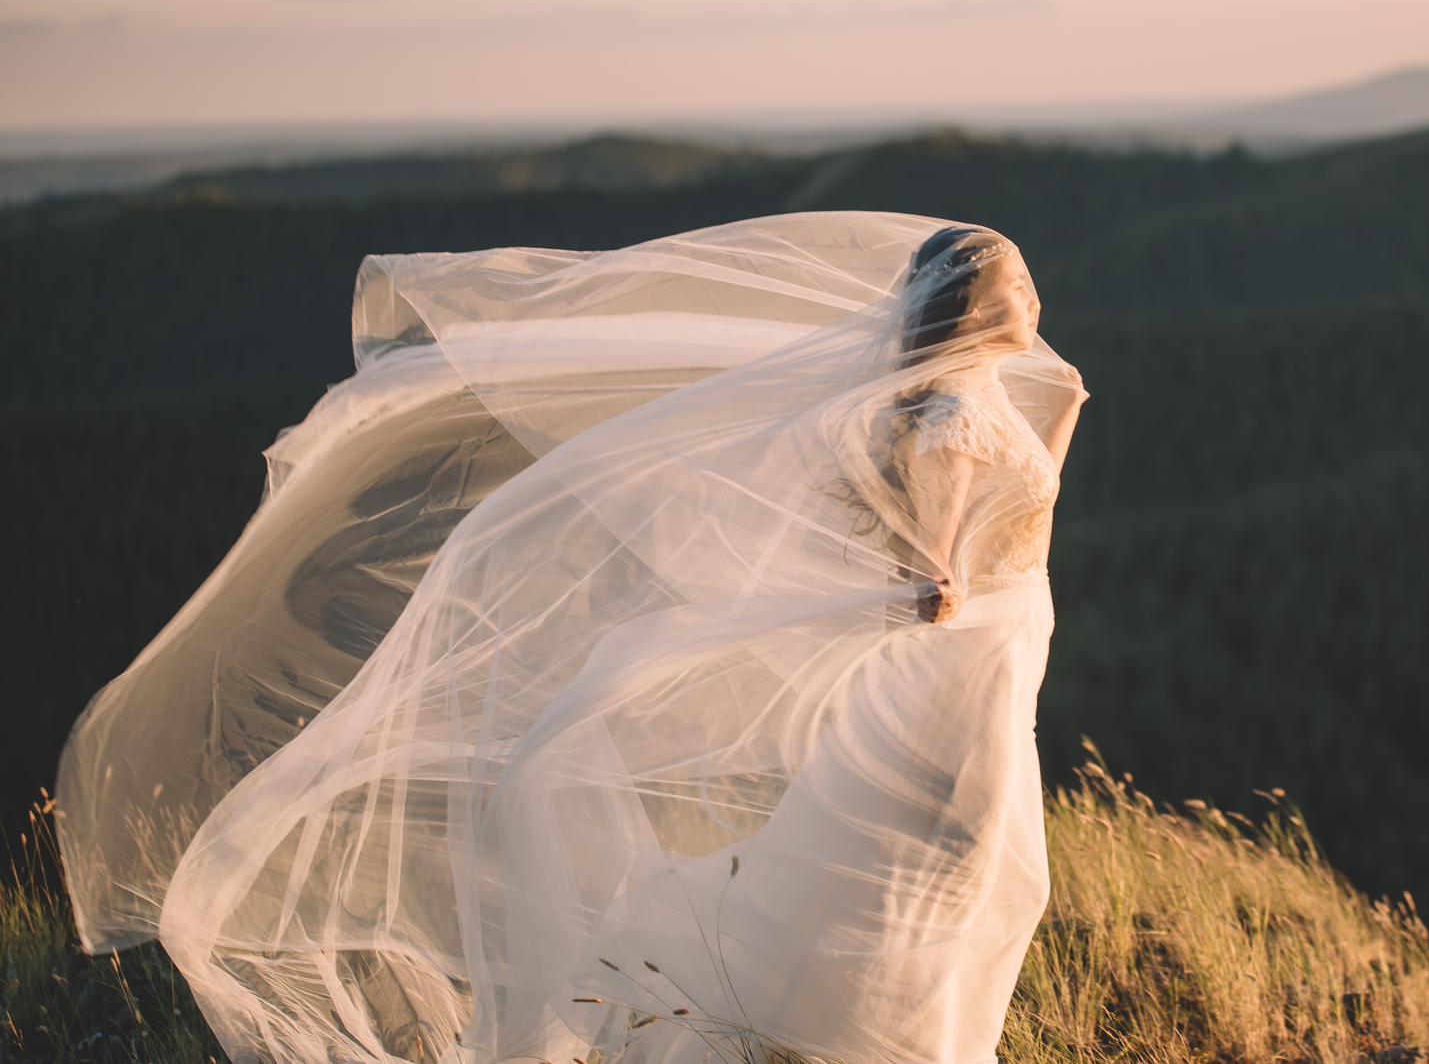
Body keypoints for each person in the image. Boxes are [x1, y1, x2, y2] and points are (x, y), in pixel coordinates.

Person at [56, 213, 1086, 1064]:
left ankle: (863, 1022)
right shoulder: (945, 409)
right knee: (950, 854)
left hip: (988, 660)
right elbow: (940, 535)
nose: (1029, 304)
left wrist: (1065, 411)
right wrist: (941, 572)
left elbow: (1023, 499)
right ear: (973, 306)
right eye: (1014, 289)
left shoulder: (972, 393)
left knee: (919, 853)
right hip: (959, 667)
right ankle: (868, 1028)